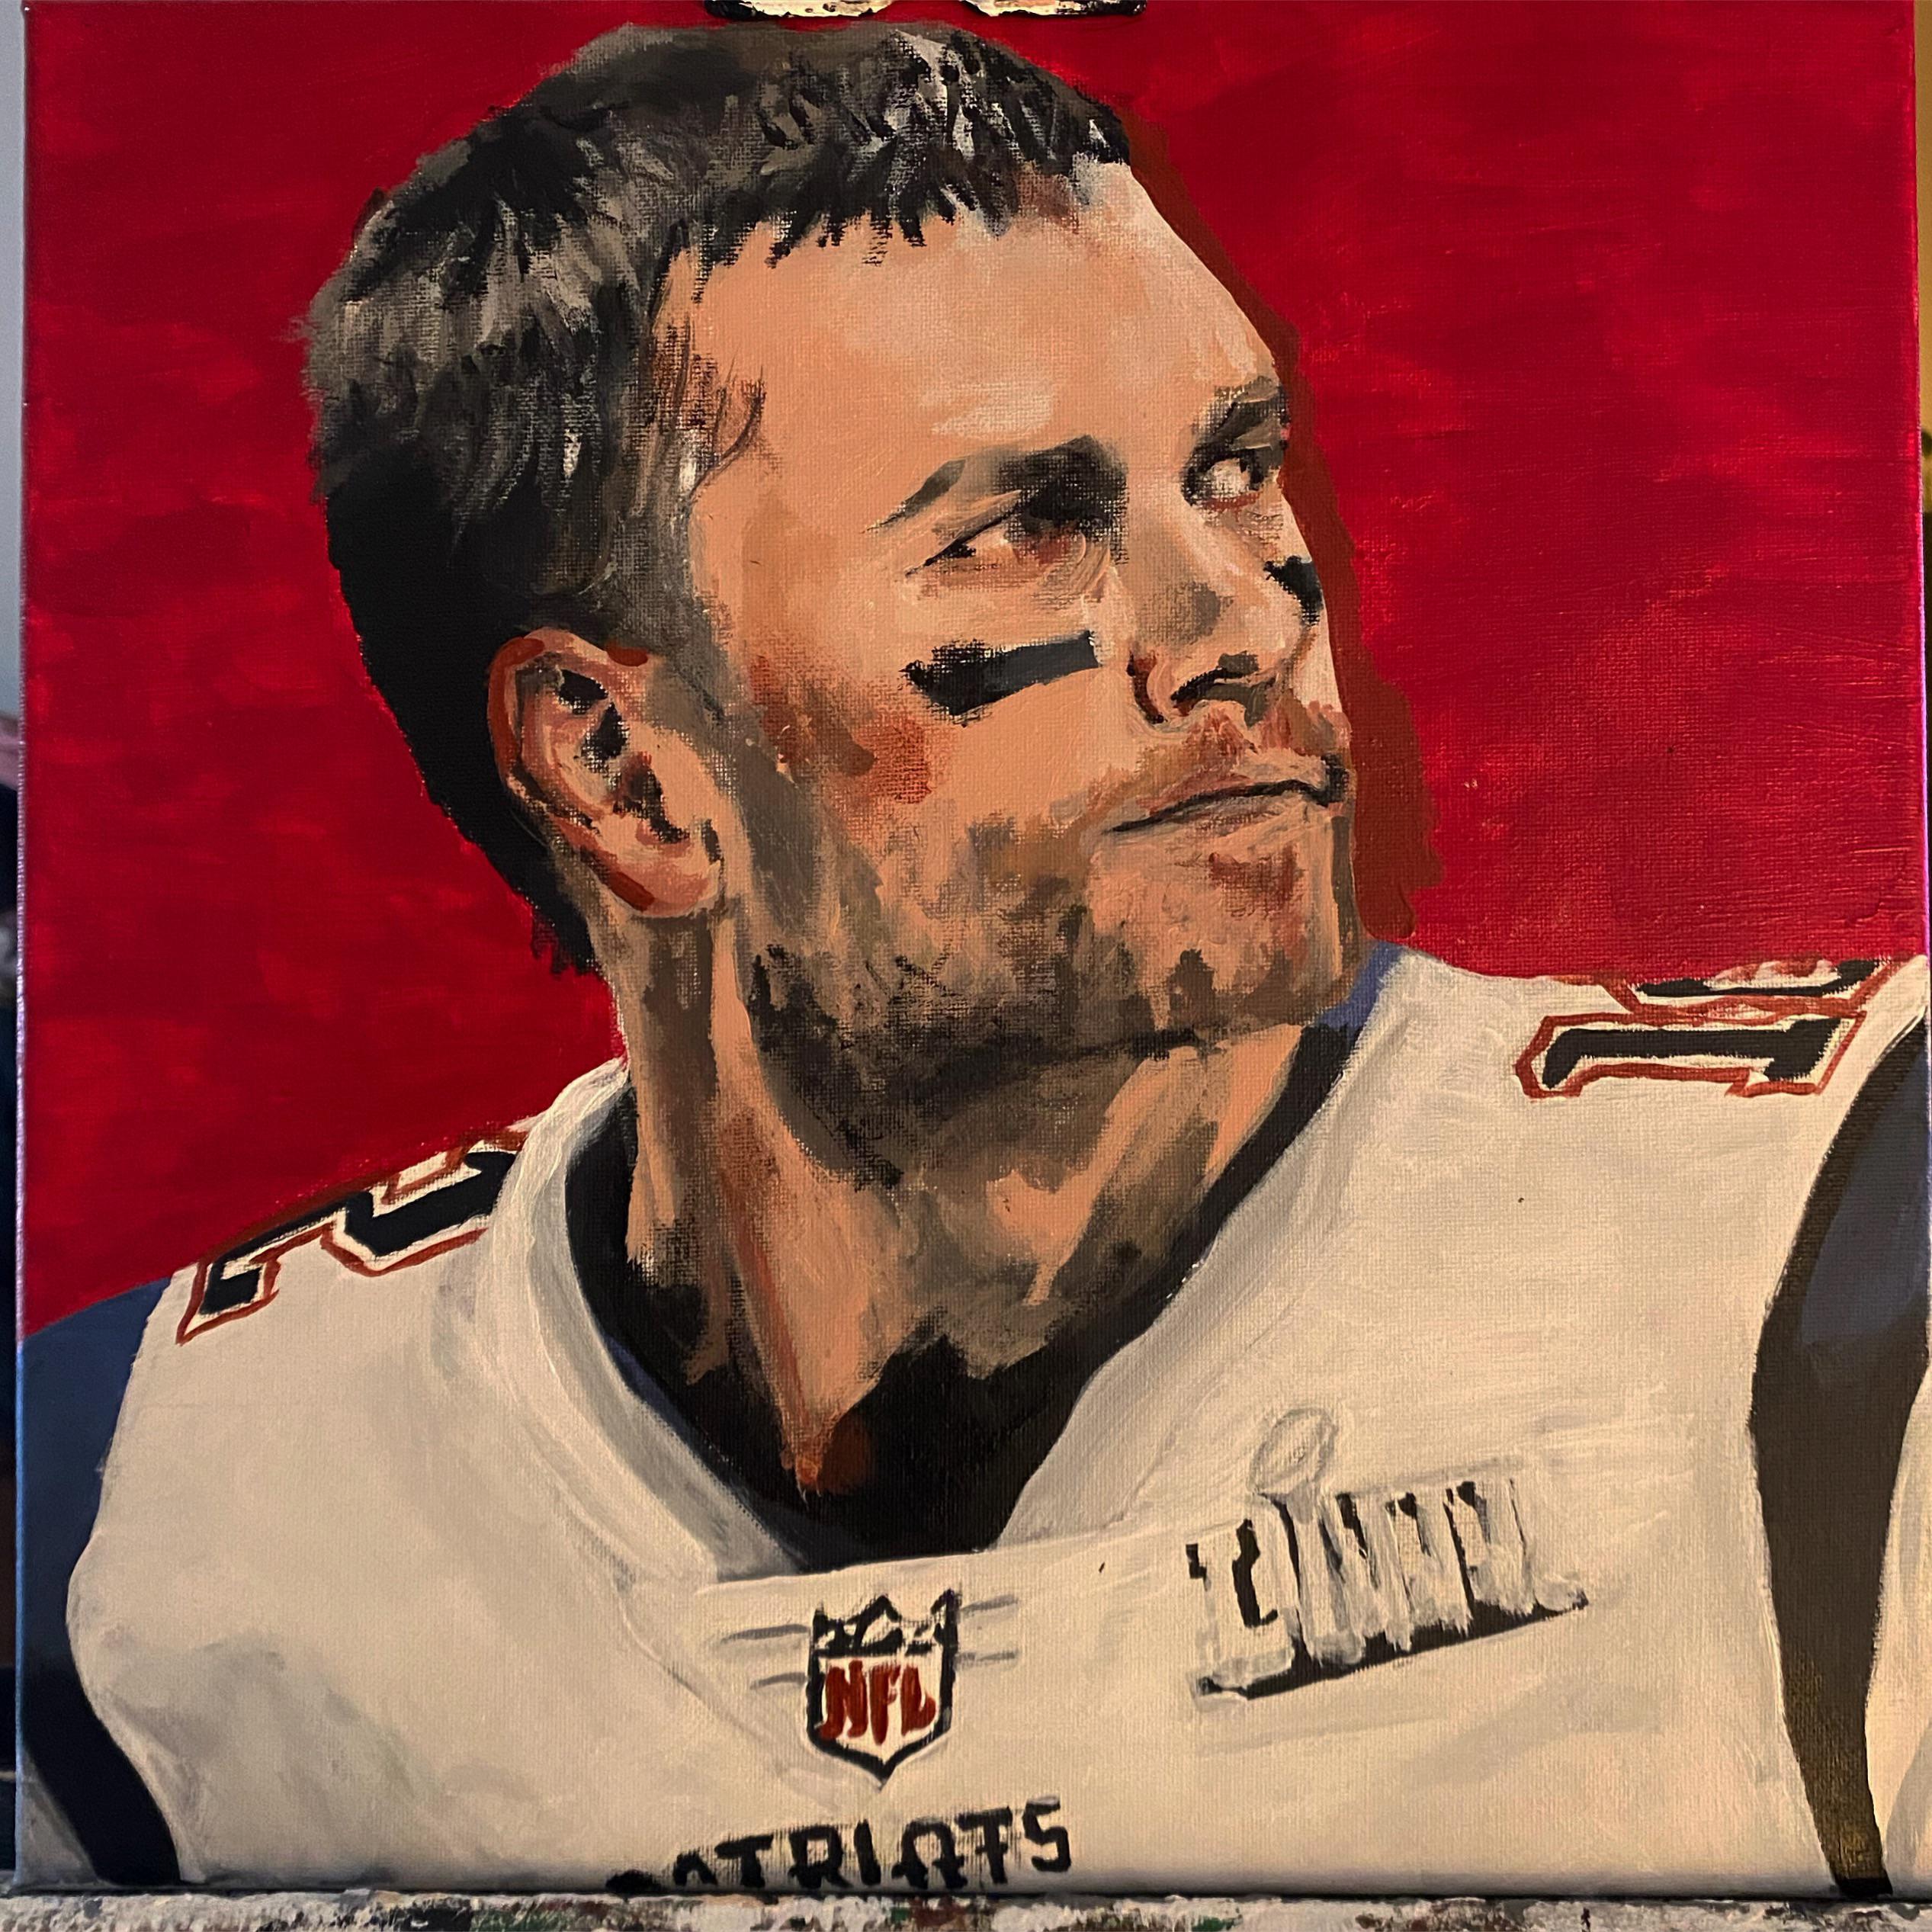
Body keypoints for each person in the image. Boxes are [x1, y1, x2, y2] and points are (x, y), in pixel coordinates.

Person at [19, 19, 1930, 1899]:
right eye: (1025, 528)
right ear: (619, 768)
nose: (1240, 624)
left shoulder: (1808, 1260)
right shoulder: (163, 1508)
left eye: (1235, 466)